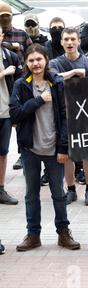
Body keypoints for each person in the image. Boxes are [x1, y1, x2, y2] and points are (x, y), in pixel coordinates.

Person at [10, 44, 80, 251]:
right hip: (30, 149)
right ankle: (33, 234)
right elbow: (15, 113)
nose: (35, 64)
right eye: (31, 61)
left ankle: (63, 233)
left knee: (58, 193)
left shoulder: (57, 83)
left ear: (46, 60)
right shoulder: (21, 85)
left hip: (53, 148)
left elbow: (66, 117)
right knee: (31, 194)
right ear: (26, 63)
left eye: (39, 59)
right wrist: (39, 100)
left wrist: (63, 148)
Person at [49, 27, 88, 207]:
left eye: (73, 39)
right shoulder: (55, 62)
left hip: (85, 116)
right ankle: (70, 189)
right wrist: (74, 73)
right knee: (67, 155)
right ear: (61, 42)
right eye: (66, 39)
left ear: (79, 42)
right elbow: (52, 78)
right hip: (63, 116)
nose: (69, 43)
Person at [0, 1, 33, 171]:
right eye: (2, 16)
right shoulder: (2, 37)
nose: (5, 19)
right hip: (5, 84)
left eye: (7, 16)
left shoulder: (21, 34)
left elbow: (31, 52)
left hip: (20, 82)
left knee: (20, 122)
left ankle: (22, 154)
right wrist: (10, 45)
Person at [0, 25, 22, 205]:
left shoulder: (10, 57)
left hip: (5, 113)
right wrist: (4, 73)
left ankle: (0, 189)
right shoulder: (8, 66)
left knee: (3, 152)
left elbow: (21, 82)